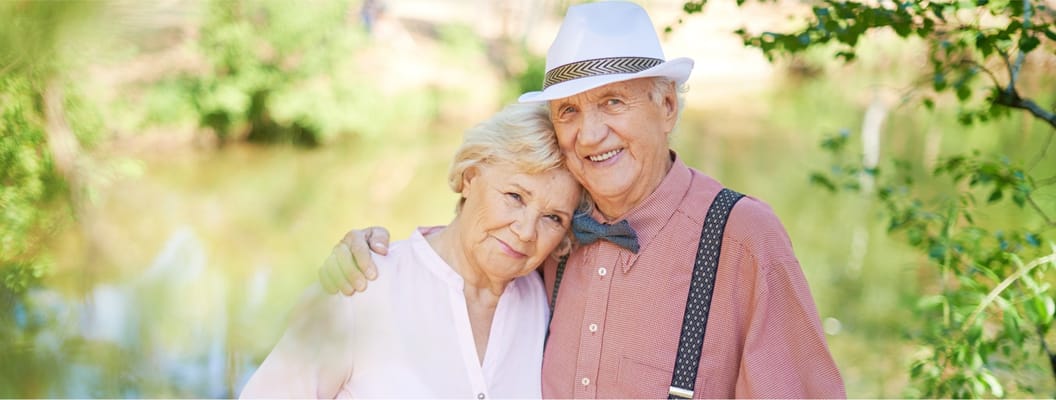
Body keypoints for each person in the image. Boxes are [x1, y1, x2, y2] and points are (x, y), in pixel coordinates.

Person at [319, 1, 846, 398]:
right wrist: (374, 254)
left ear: (666, 105)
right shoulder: (553, 230)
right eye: (568, 111)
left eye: (612, 101)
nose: (589, 135)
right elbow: (473, 253)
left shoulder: (742, 235)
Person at [240, 103, 581, 398]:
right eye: (515, 197)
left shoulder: (541, 300)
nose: (525, 232)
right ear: (469, 176)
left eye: (553, 218)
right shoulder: (362, 285)